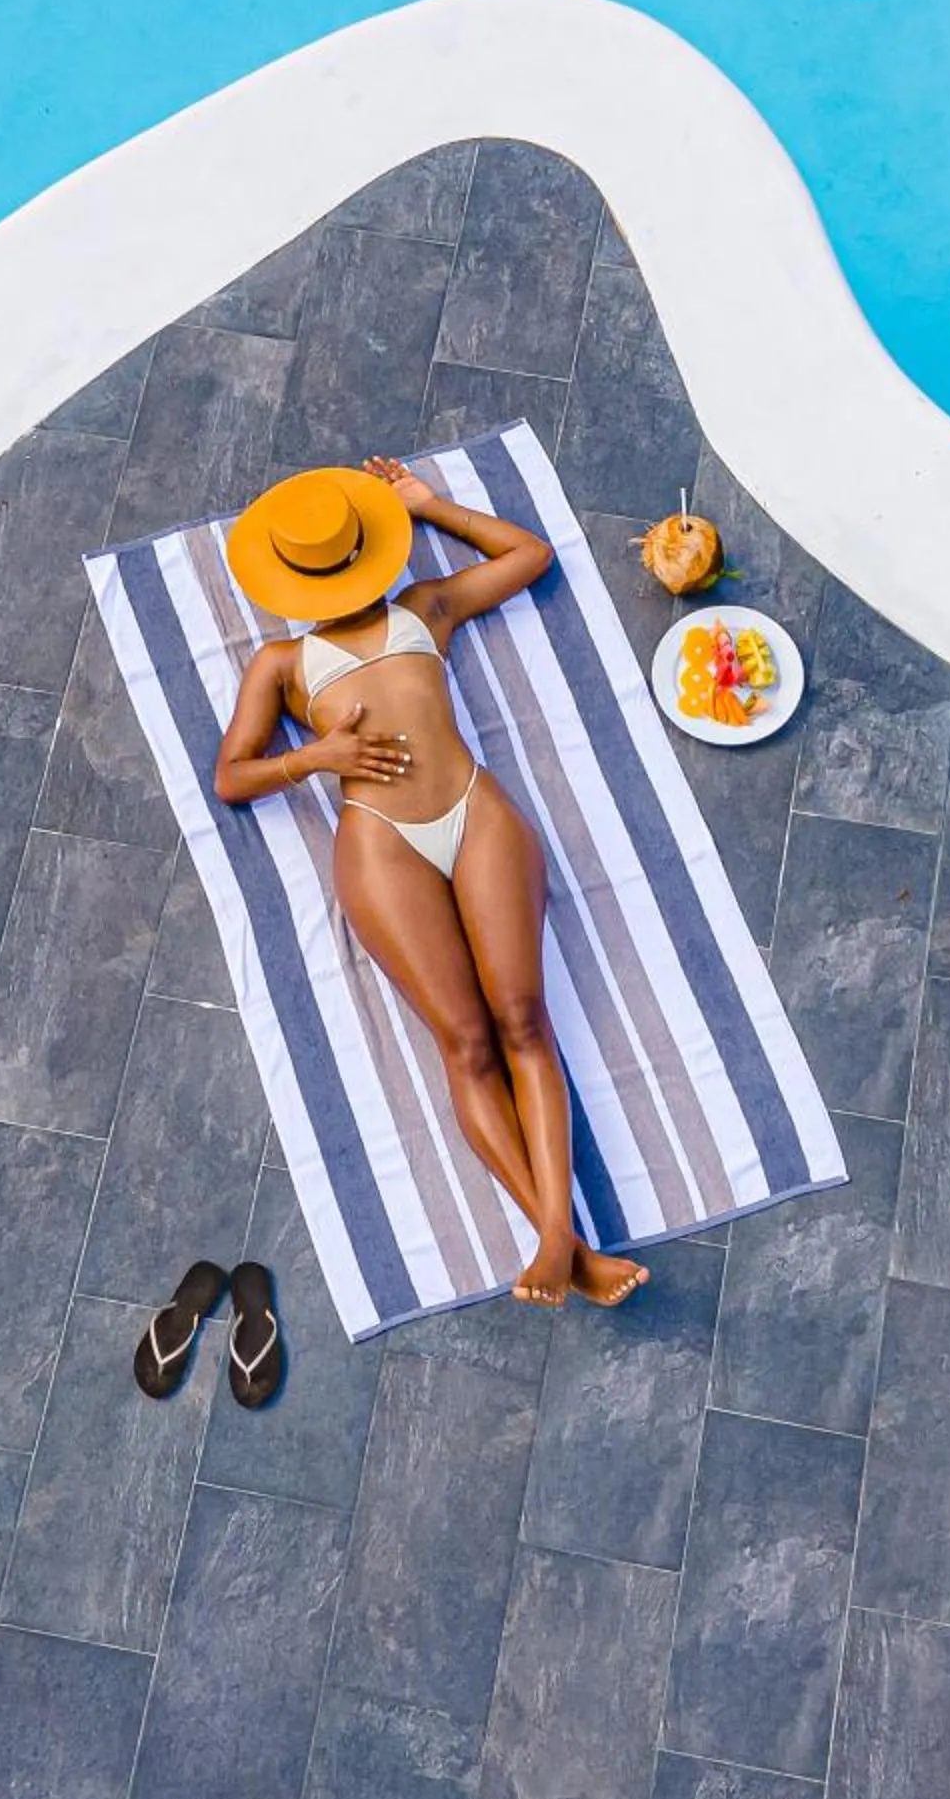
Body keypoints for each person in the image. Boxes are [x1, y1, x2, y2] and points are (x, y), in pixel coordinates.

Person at [213, 456, 649, 1310]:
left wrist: (432, 505)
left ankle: (558, 1236)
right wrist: (317, 757)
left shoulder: (424, 608)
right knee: (469, 1044)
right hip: (381, 842)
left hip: (474, 813)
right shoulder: (282, 663)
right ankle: (568, 1245)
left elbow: (528, 556)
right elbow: (231, 777)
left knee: (525, 1020)